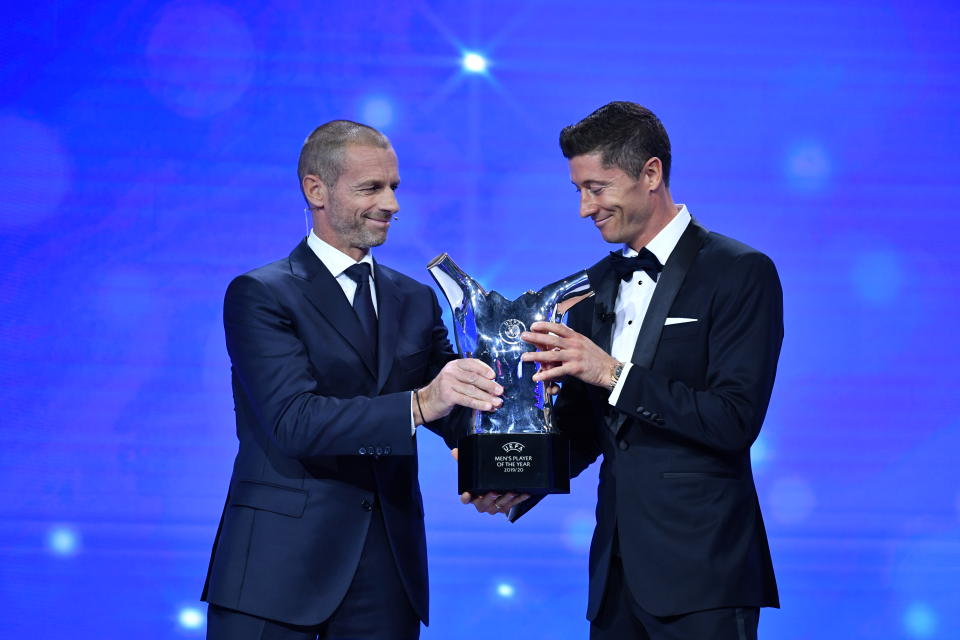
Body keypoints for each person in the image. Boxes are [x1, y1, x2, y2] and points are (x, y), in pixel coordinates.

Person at [201, 120, 517, 640]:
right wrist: (417, 405)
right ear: (315, 190)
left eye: (394, 187)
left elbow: (455, 405)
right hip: (276, 573)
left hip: (386, 573)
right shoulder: (261, 294)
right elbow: (294, 421)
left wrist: (505, 463)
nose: (391, 203)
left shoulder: (412, 298)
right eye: (371, 188)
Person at [505, 102, 783, 639]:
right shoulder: (592, 284)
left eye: (597, 187)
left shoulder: (741, 273)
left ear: (650, 174)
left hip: (704, 574)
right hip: (615, 576)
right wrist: (516, 474)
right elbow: (590, 429)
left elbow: (733, 420)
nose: (585, 208)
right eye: (578, 190)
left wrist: (613, 373)